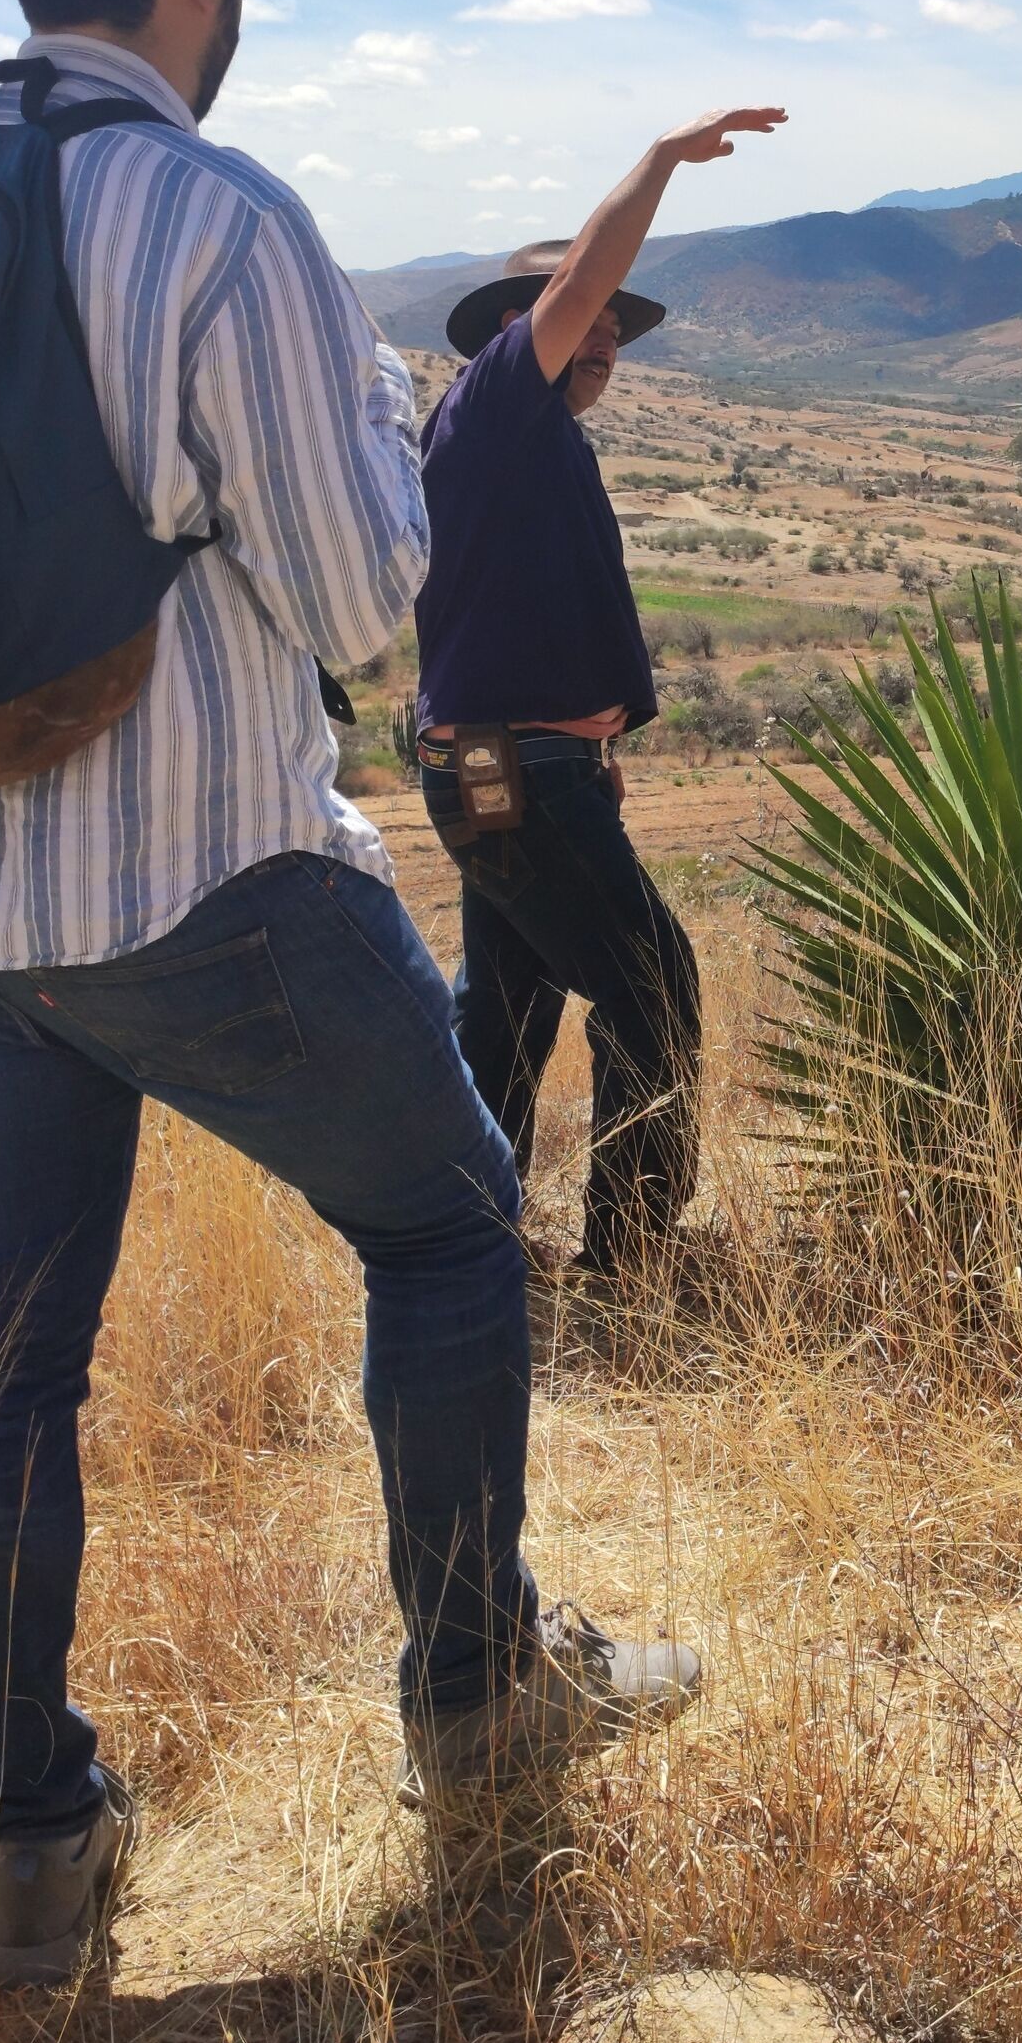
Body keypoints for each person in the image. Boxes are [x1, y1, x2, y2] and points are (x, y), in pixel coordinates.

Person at [0, 0, 698, 1987]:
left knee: (0, 1355)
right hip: (195, 886)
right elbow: (362, 602)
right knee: (452, 1223)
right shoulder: (224, 222)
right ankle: (477, 1703)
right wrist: (374, 433)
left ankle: (32, 1840)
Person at [412, 115, 776, 1286]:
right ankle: (629, 1258)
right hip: (513, 768)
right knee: (651, 983)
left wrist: (596, 742)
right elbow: (576, 284)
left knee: (507, 1011)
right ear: (515, 332)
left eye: (620, 326)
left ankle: (466, 1240)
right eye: (589, 316)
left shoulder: (543, 442)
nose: (607, 332)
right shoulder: (495, 405)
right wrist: (662, 162)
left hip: (508, 765)